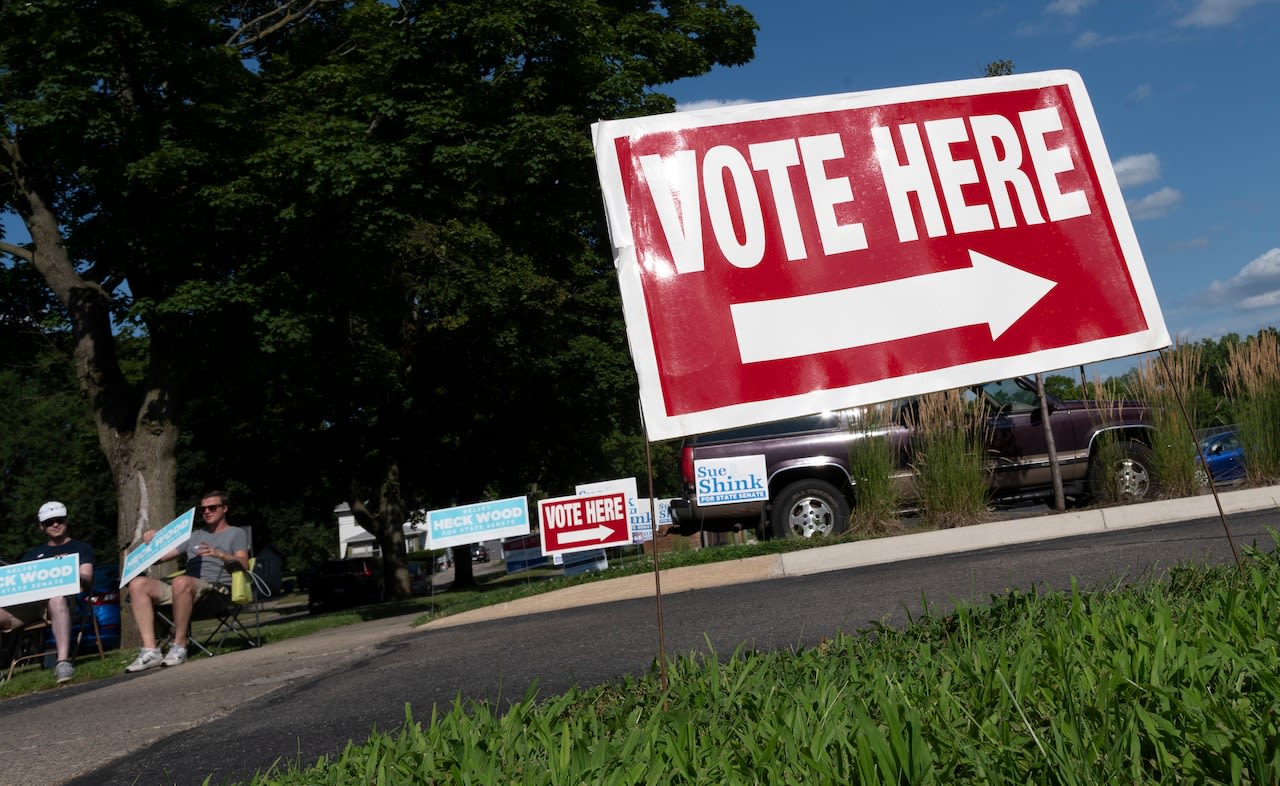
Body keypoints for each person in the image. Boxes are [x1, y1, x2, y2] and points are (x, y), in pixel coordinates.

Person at [124, 490, 249, 672]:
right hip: (185, 589)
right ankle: (151, 650)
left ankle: (179, 646)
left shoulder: (236, 533)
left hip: (215, 592)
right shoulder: (194, 535)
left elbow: (244, 564)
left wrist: (219, 554)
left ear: (224, 509)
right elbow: (158, 557)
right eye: (203, 508)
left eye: (212, 507)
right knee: (137, 584)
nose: (207, 511)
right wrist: (153, 540)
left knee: (180, 582)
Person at [0, 501, 95, 684]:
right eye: (49, 522)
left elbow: (87, 578)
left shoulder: (81, 548)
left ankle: (62, 663)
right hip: (28, 606)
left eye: (59, 520)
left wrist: (69, 569)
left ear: (66, 521)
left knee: (57, 599)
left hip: (59, 605)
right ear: (41, 527)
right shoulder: (33, 555)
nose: (55, 524)